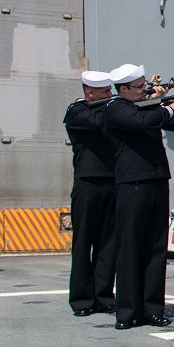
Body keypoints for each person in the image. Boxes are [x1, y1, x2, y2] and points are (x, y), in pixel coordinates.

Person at [102, 63, 174, 330]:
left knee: (155, 248)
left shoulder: (144, 106)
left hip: (157, 180)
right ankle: (127, 311)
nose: (144, 90)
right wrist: (167, 107)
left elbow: (169, 121)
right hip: (133, 184)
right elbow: (141, 122)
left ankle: (152, 308)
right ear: (123, 88)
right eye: (139, 87)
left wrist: (163, 103)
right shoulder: (115, 108)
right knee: (130, 248)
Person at [64, 70, 117, 317]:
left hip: (112, 182)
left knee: (108, 244)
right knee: (84, 242)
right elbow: (94, 121)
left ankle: (104, 296)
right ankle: (82, 299)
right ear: (90, 92)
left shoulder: (109, 109)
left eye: (110, 90)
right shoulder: (77, 111)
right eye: (105, 91)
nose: (109, 94)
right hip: (87, 183)